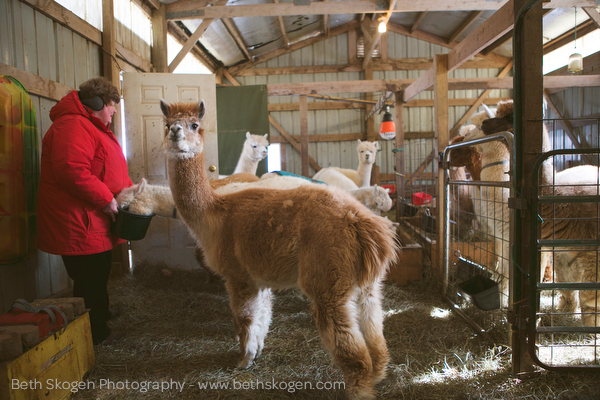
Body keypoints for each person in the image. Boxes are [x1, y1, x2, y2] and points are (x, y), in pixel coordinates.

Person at [37, 76, 132, 345]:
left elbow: (105, 169)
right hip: (77, 220)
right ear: (96, 102)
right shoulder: (73, 126)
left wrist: (128, 192)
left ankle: (99, 313)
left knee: (98, 273)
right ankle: (97, 333)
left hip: (91, 218)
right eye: (112, 104)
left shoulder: (91, 126)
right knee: (90, 277)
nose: (114, 110)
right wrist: (106, 199)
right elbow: (72, 170)